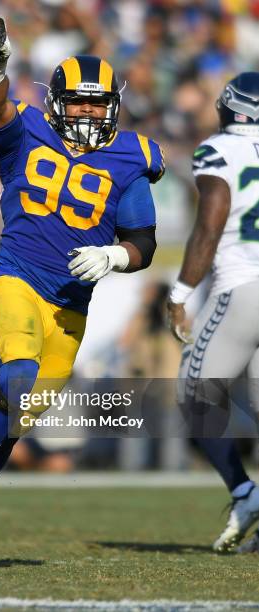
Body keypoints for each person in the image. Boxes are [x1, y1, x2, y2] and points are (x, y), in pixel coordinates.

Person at [0, 17, 164, 569]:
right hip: (16, 276)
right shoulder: (27, 130)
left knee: (19, 414)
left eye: (97, 104)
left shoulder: (131, 158)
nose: (87, 112)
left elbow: (143, 241)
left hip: (71, 306)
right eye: (77, 103)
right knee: (17, 376)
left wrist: (115, 255)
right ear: (56, 102)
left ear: (113, 107)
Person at [167, 72, 259, 553]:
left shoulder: (220, 148)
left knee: (193, 394)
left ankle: (245, 492)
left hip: (242, 289)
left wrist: (181, 290)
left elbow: (211, 220)